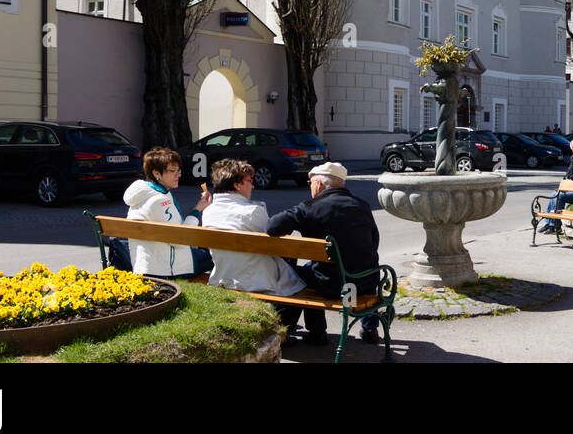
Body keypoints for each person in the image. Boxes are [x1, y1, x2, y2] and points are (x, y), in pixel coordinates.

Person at [266, 162, 382, 348]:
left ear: (318, 184)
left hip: (331, 287)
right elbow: (374, 242)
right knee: (359, 264)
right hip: (364, 283)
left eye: (310, 183)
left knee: (301, 275)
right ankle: (370, 329)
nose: (309, 188)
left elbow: (272, 226)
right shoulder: (363, 205)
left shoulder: (309, 208)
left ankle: (315, 332)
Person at [201, 158, 305, 298]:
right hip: (257, 281)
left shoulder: (208, 211)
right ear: (237, 185)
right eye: (250, 181)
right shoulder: (253, 212)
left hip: (223, 277)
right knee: (300, 280)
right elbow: (275, 248)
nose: (253, 186)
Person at [121, 147, 213, 278]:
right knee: (216, 255)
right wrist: (198, 209)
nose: (178, 174)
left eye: (178, 170)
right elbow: (180, 239)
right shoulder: (159, 201)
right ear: (156, 173)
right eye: (172, 171)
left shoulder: (144, 193)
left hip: (147, 265)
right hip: (167, 270)